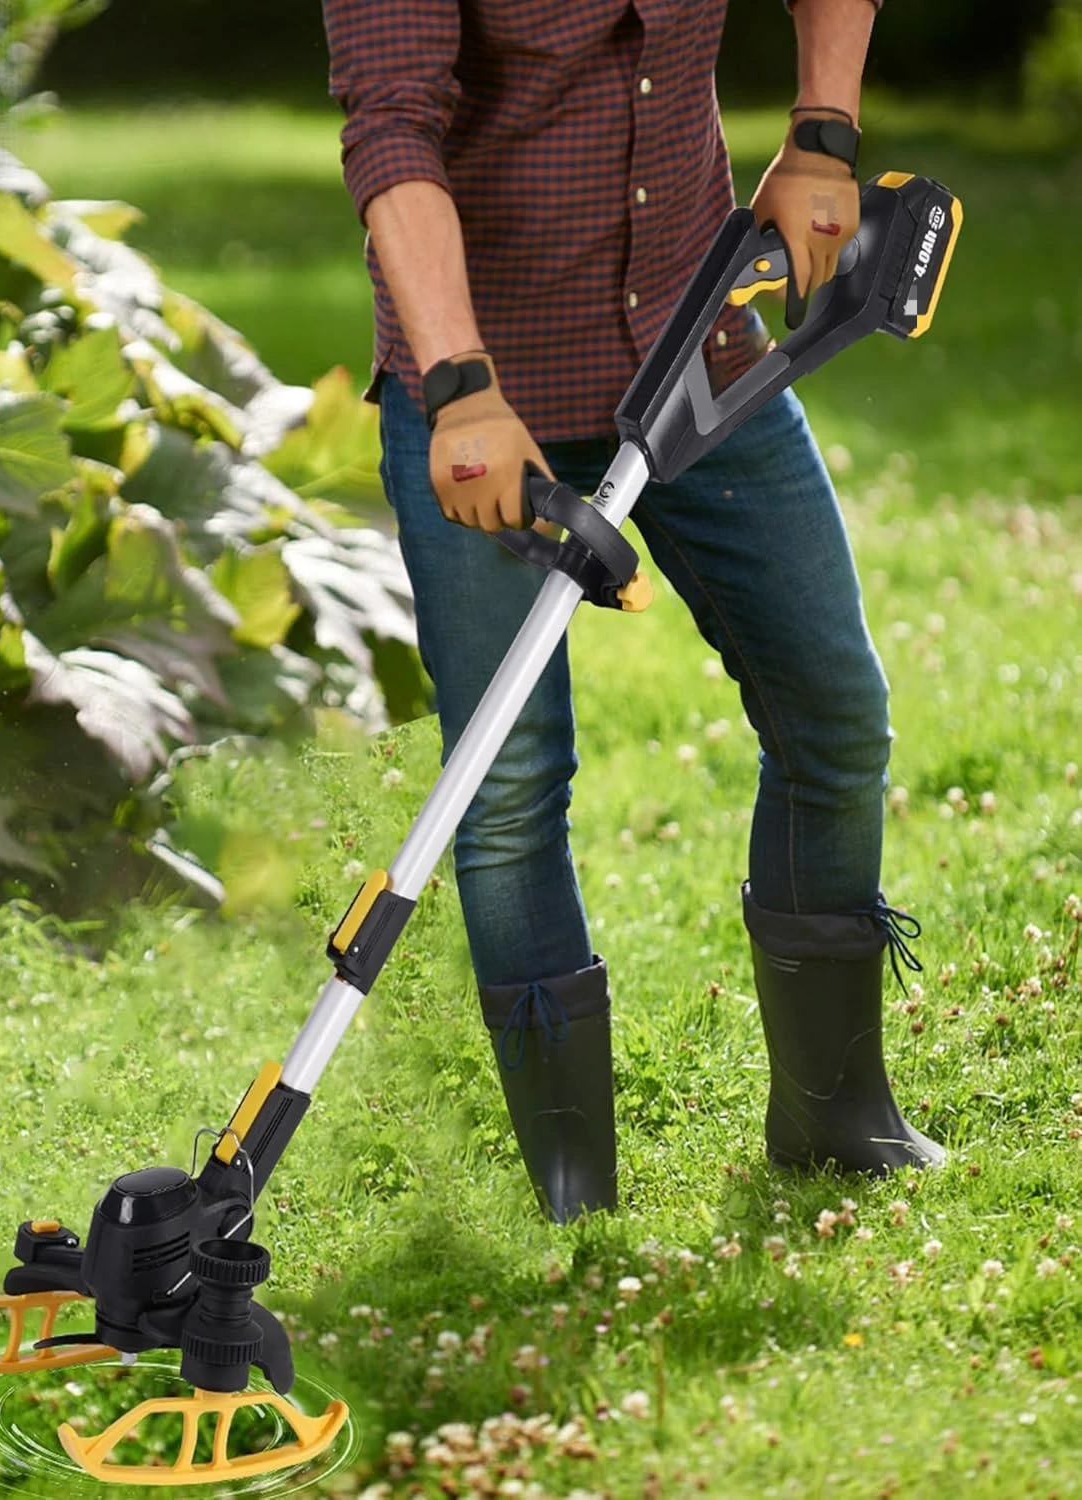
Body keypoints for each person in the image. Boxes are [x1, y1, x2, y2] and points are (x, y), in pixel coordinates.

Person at [320, 0, 944, 1221]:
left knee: (835, 709)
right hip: (489, 400)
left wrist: (823, 129)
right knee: (506, 786)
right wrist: (455, 387)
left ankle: (834, 1114)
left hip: (697, 344)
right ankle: (574, 1192)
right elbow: (391, 127)